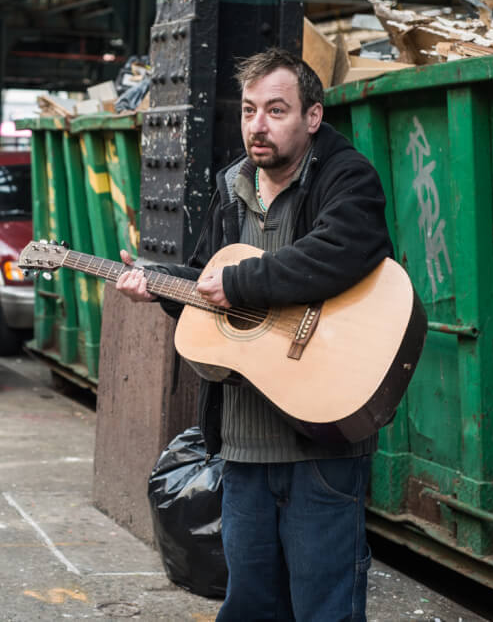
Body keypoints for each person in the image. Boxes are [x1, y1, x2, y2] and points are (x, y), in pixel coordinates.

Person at [115, 48, 393, 621]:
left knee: (326, 608)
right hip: (243, 447)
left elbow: (342, 252)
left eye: (275, 110)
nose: (257, 126)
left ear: (312, 117)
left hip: (320, 439)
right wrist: (163, 290)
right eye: (248, 111)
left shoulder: (346, 176)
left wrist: (240, 282)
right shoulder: (232, 187)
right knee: (250, 605)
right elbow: (210, 298)